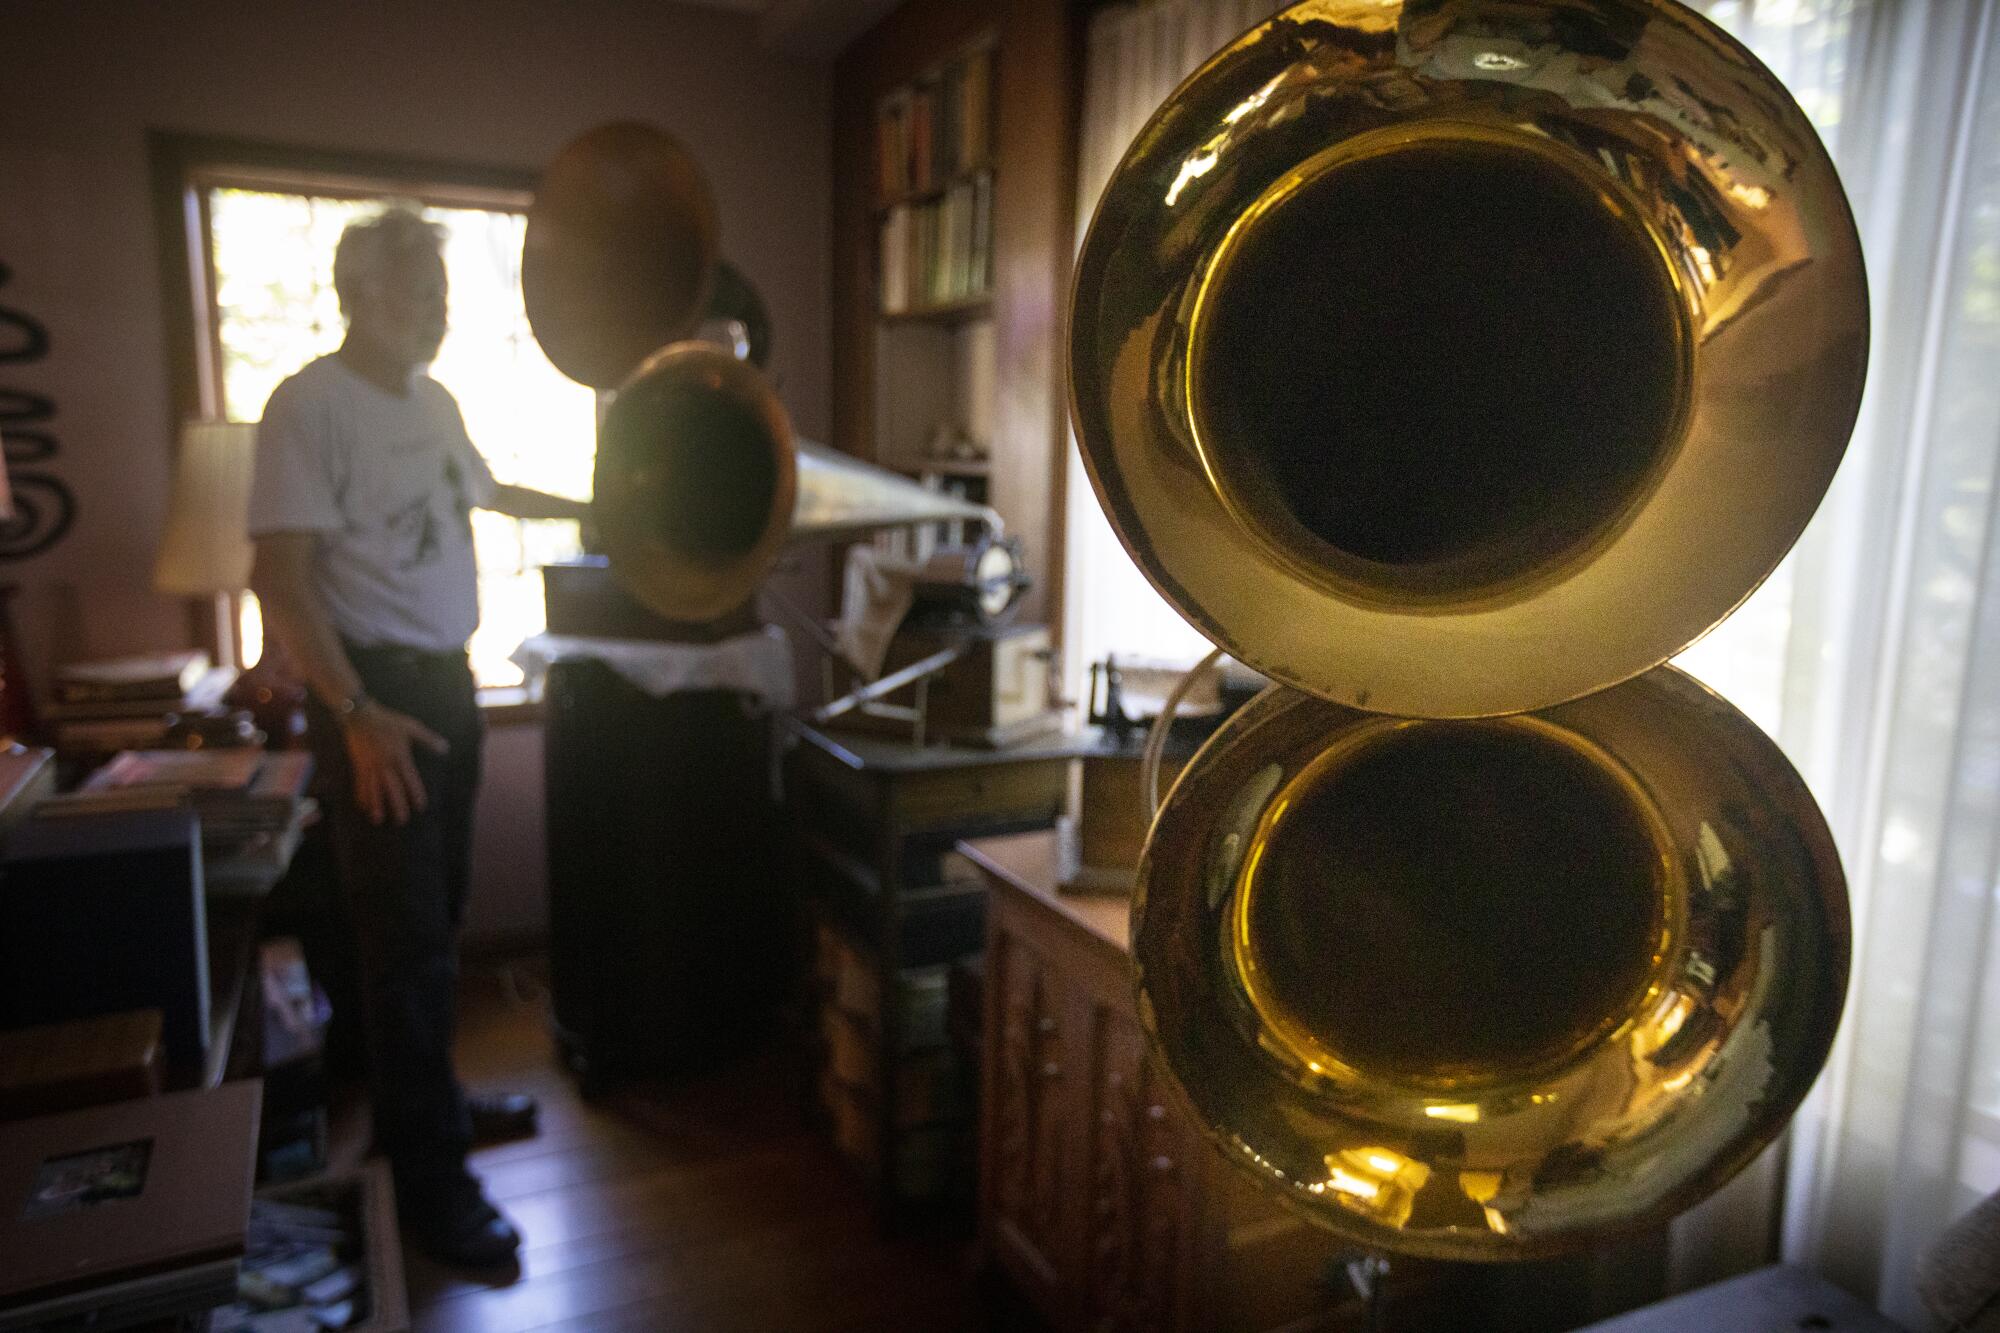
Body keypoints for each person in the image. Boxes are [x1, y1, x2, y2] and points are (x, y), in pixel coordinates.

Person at [248, 208, 587, 1268]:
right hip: (374, 699)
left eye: (443, 298)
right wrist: (354, 718)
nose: (440, 314)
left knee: (432, 925)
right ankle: (433, 1188)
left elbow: (487, 495)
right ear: (358, 295)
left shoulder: (434, 403)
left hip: (442, 688)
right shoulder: (306, 407)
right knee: (403, 950)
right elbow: (281, 578)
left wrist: (601, 504)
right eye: (420, 297)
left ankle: (422, 1108)